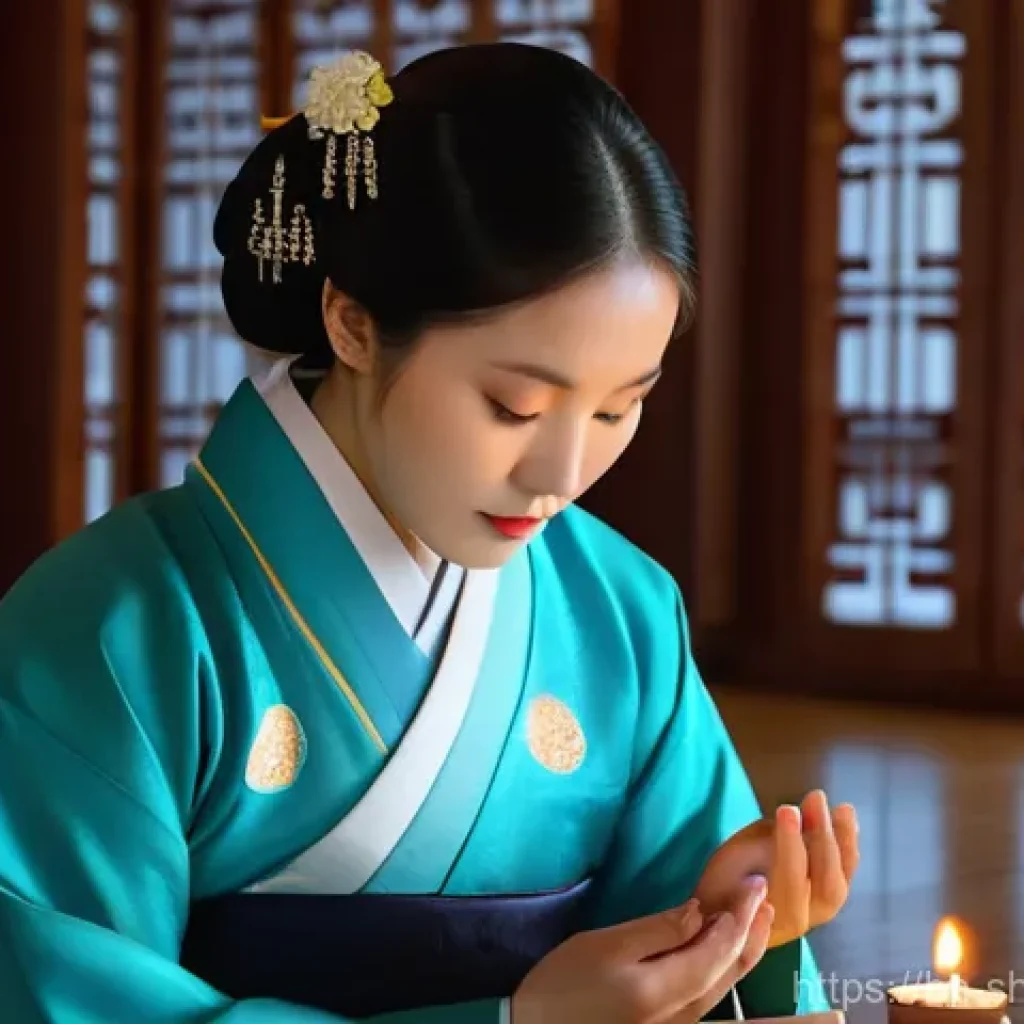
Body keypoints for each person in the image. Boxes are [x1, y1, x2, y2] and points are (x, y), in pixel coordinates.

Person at [0, 43, 858, 1023]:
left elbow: (682, 949)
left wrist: (731, 935)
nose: (563, 472)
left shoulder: (621, 613)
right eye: (515, 405)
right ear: (353, 324)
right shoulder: (107, 628)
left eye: (618, 408)